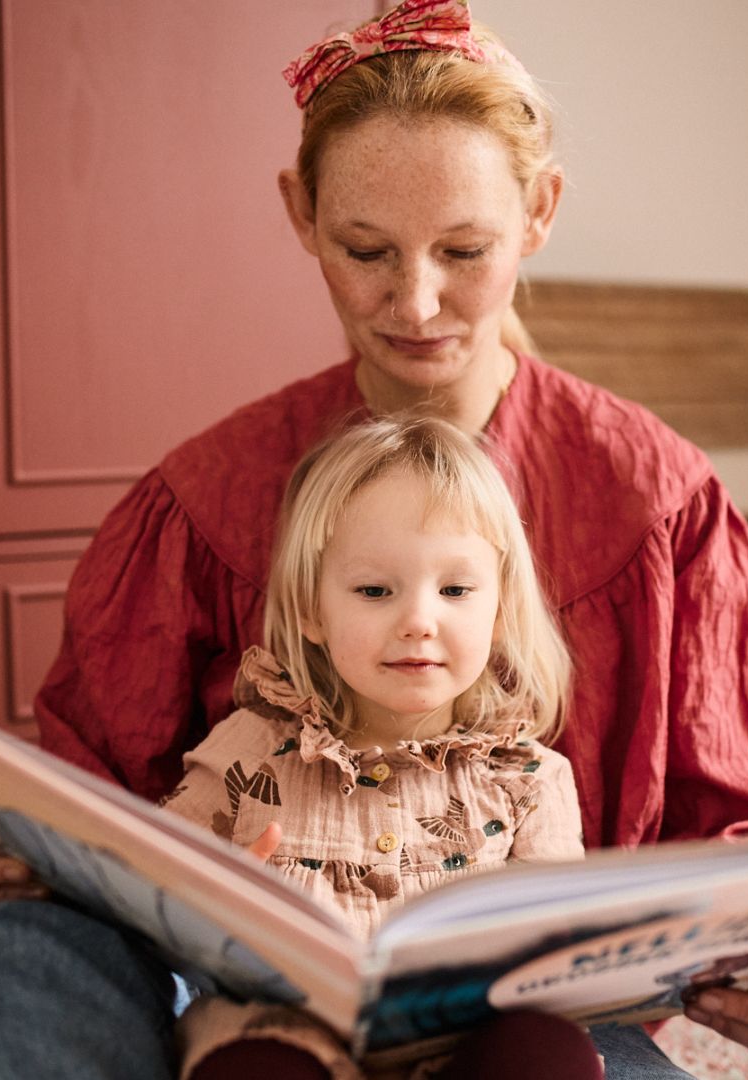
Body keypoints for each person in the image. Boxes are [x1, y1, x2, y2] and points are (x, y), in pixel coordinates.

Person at [0, 1, 748, 1076]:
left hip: (529, 1032)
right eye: (366, 249)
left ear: (539, 212)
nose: (417, 302)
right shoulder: (206, 497)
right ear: (301, 212)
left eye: (465, 249)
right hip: (236, 1010)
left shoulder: (659, 503)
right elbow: (91, 814)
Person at [164, 413, 596, 1078]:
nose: (419, 622)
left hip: (464, 1051)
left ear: (501, 610)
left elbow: (563, 956)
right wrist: (209, 899)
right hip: (289, 1036)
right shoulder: (250, 749)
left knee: (551, 1052)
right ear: (312, 610)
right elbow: (149, 890)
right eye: (374, 590)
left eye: (455, 590)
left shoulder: (528, 779)